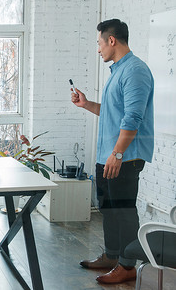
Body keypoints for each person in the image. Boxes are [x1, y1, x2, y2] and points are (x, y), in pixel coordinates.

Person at [71, 19, 154, 284]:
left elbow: (133, 118)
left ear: (111, 40)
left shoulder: (135, 71)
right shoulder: (117, 71)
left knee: (124, 211)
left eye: (98, 43)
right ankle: (112, 255)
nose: (98, 50)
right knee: (108, 208)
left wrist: (117, 153)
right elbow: (112, 114)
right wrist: (86, 105)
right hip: (108, 154)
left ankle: (128, 265)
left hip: (125, 157)